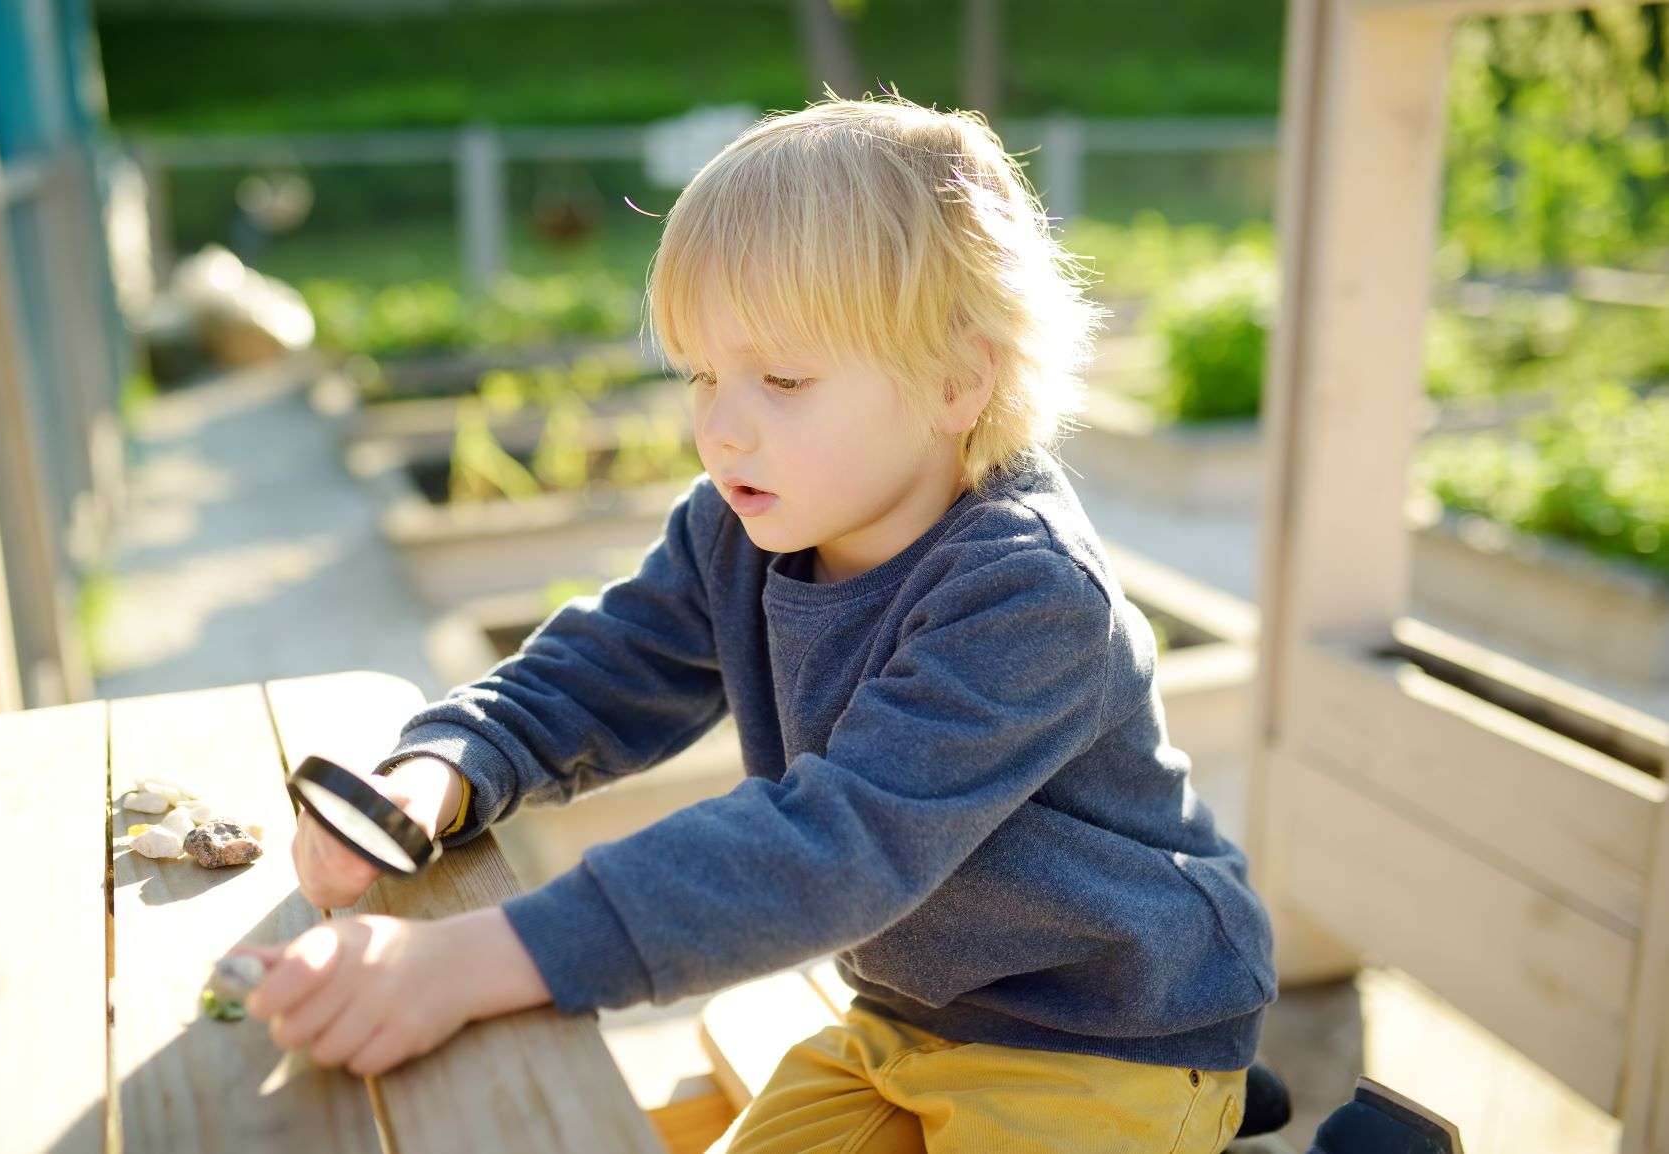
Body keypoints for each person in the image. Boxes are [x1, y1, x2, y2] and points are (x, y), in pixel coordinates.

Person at [245, 91, 1281, 1153]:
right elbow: (600, 670)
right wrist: (443, 767)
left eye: (782, 377)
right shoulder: (742, 529)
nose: (721, 426)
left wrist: (477, 958)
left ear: (955, 382)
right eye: (703, 374)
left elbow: (829, 846)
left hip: (1109, 1038)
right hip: (908, 1016)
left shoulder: (1027, 595)